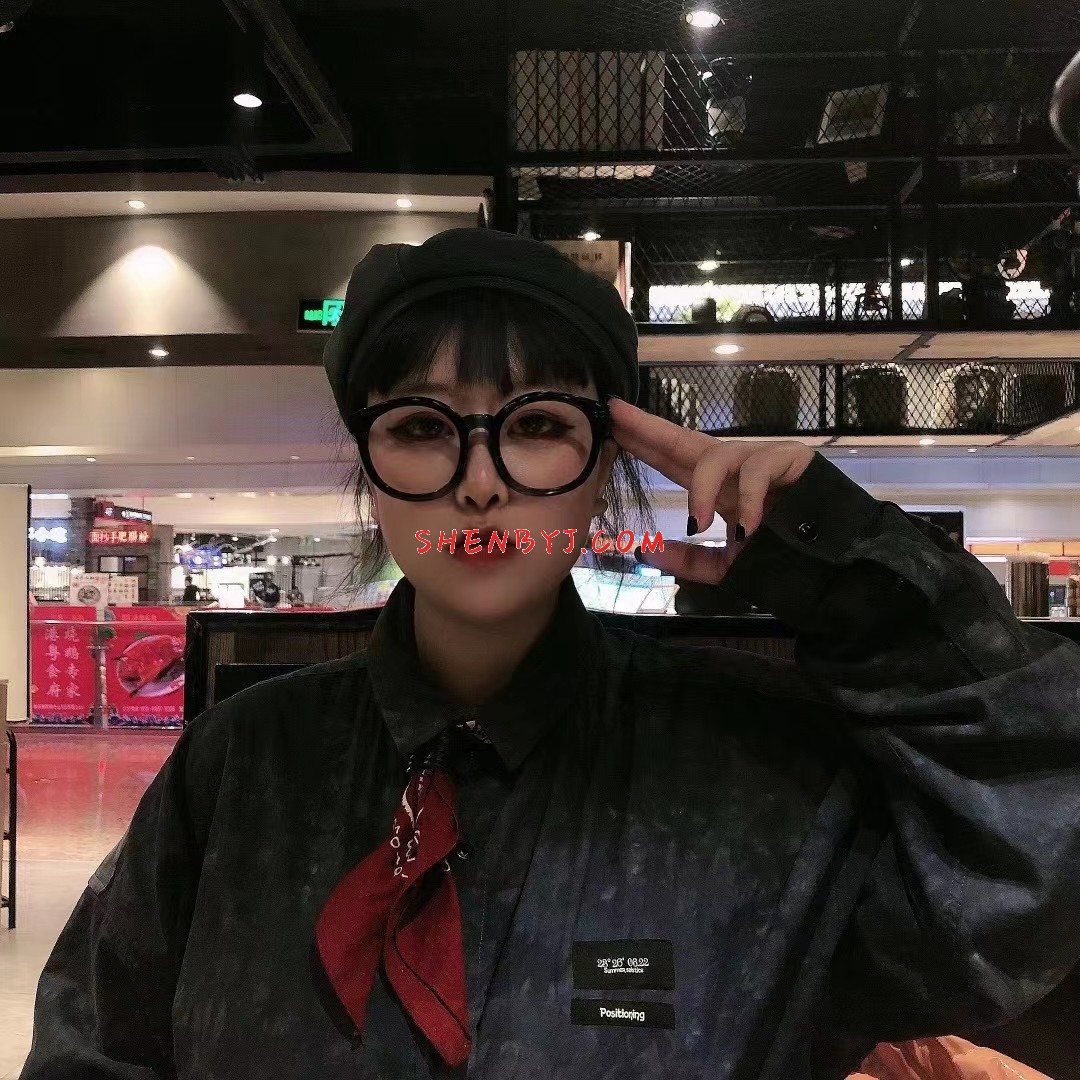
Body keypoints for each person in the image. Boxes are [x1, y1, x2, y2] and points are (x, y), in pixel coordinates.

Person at [21, 229, 1080, 1080]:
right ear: (370, 468)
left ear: (605, 462)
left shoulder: (758, 765)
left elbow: (1023, 886)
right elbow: (96, 1047)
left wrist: (855, 573)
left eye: (535, 425)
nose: (480, 485)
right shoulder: (241, 766)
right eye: (422, 428)